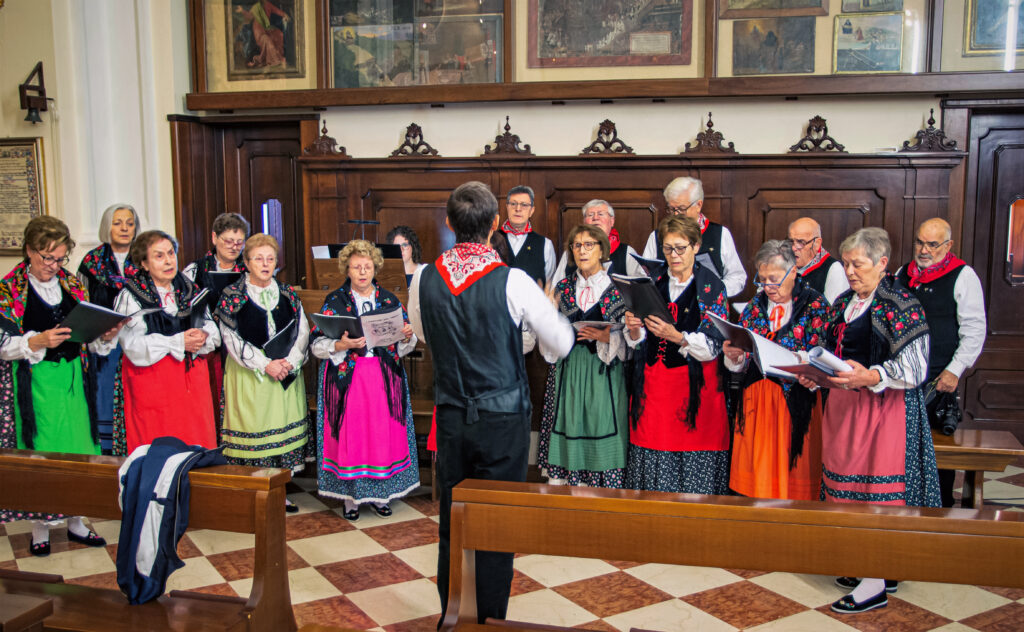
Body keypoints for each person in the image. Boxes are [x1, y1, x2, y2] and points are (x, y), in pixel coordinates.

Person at [409, 181, 574, 624]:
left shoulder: (424, 276)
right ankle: (490, 622)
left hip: (452, 415)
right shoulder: (513, 279)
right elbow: (559, 341)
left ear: (448, 223)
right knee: (496, 523)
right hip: (502, 418)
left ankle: (454, 614)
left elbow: (423, 333)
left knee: (454, 519)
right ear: (495, 225)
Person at [795, 227, 939, 614]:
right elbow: (828, 351)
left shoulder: (900, 303)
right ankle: (869, 564)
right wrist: (815, 374)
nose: (850, 271)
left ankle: (875, 582)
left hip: (883, 414)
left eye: (858, 264)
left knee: (877, 495)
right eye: (846, 263)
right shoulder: (844, 302)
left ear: (881, 263)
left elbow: (916, 367)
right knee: (847, 490)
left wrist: (872, 376)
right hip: (845, 410)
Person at [0, 216, 122, 555]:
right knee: (44, 451)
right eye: (46, 258)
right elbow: (4, 345)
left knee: (79, 448)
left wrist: (103, 334)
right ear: (29, 250)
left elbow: (87, 336)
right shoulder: (9, 289)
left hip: (74, 379)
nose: (53, 266)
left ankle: (76, 521)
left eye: (59, 258)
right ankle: (41, 527)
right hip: (37, 382)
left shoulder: (71, 284)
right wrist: (37, 341)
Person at [310, 239, 418, 521]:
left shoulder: (388, 300)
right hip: (349, 380)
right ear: (347, 269)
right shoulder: (335, 300)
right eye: (356, 267)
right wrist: (341, 346)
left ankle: (382, 496)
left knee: (381, 437)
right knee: (353, 437)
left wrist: (407, 336)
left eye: (367, 266)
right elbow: (317, 344)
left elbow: (404, 345)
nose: (362, 272)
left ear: (375, 268)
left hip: (382, 379)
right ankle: (351, 499)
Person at [623, 216, 731, 494]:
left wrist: (677, 337)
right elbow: (638, 343)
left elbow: (713, 347)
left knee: (692, 471)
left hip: (694, 391)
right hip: (654, 390)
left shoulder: (712, 287)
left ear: (696, 246)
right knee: (654, 470)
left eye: (681, 248)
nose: (674, 255)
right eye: (668, 248)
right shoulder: (652, 282)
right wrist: (634, 329)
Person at [722, 240, 828, 500]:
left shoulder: (815, 305)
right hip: (756, 402)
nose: (767, 287)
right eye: (763, 279)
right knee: (756, 480)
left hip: (795, 404)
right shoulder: (755, 306)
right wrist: (734, 356)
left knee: (795, 480)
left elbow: (824, 356)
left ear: (793, 272)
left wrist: (799, 359)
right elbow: (743, 360)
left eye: (775, 279)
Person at [215, 234, 310, 512]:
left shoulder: (288, 294)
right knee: (255, 429)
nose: (265, 264)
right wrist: (264, 364)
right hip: (250, 377)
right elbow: (230, 338)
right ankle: (252, 492)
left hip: (284, 377)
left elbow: (301, 331)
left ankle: (279, 490)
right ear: (246, 262)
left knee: (281, 433)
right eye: (258, 258)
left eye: (270, 259)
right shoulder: (233, 296)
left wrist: (290, 361)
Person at [895, 218, 986, 507]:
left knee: (936, 454)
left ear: (948, 246)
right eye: (920, 242)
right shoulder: (902, 274)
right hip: (901, 378)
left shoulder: (963, 275)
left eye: (932, 244)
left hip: (938, 379)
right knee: (900, 449)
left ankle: (940, 511)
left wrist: (954, 370)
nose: (924, 249)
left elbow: (974, 329)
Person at [537, 224, 636, 488]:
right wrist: (547, 316)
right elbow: (548, 345)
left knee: (601, 425)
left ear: (602, 248)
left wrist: (608, 337)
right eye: (577, 245)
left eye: (589, 244)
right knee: (568, 425)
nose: (582, 250)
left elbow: (634, 340)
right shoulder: (563, 287)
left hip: (604, 373)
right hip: (568, 372)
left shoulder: (620, 288)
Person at [109, 230, 221, 455]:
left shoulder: (189, 289)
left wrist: (204, 335)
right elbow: (132, 346)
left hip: (192, 390)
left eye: (171, 253)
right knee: (160, 453)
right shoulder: (131, 296)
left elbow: (212, 328)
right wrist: (178, 342)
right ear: (144, 263)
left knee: (196, 449)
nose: (169, 260)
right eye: (159, 256)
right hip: (154, 388)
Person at [77, 203, 140, 453]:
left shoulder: (145, 257)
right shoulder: (92, 262)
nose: (124, 228)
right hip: (103, 345)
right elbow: (80, 299)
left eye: (130, 223)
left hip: (137, 340)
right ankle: (107, 450)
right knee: (105, 397)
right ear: (107, 227)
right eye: (117, 223)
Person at [642, 177, 747, 297]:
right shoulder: (656, 236)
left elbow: (738, 277)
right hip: (667, 306)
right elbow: (643, 277)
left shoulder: (720, 234)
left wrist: (713, 290)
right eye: (671, 209)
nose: (676, 214)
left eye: (681, 209)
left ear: (698, 205)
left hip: (708, 306)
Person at [552, 200, 644, 283]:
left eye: (601, 214)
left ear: (612, 221)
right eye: (590, 215)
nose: (595, 218)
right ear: (584, 222)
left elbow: (640, 287)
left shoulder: (627, 252)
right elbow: (555, 289)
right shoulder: (572, 252)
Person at [491, 185, 556, 285]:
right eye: (513, 204)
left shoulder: (545, 245)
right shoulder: (490, 240)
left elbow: (548, 285)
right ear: (507, 207)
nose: (518, 209)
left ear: (532, 211)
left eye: (524, 205)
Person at [788, 217, 848, 304]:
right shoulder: (783, 264)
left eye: (801, 242)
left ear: (817, 244)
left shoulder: (833, 269)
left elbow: (832, 312)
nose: (793, 248)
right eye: (791, 241)